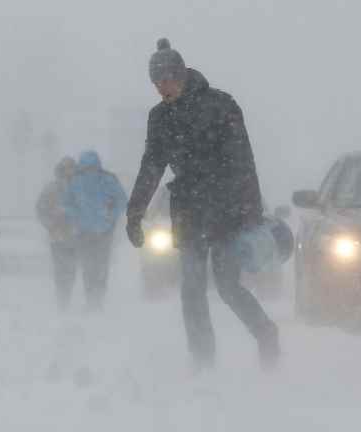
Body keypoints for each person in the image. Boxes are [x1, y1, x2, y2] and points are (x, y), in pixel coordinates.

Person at [126, 38, 280, 370]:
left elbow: (244, 161)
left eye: (165, 80)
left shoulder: (221, 105)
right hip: (189, 211)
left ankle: (267, 333)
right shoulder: (160, 118)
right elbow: (151, 166)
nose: (160, 89)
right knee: (192, 290)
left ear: (180, 75)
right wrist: (135, 212)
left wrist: (251, 211)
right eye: (155, 83)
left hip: (227, 210)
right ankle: (203, 361)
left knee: (228, 286)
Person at [64, 150, 127, 311]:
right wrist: (109, 216)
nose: (90, 171)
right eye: (88, 168)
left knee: (94, 266)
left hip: (94, 231)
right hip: (94, 231)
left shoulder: (78, 181)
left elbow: (121, 201)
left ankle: (95, 300)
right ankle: (95, 300)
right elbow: (121, 201)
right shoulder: (106, 180)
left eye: (92, 168)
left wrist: (78, 217)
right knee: (94, 267)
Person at [36, 157, 78, 310]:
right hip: (57, 236)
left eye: (72, 168)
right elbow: (40, 209)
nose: (69, 171)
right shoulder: (51, 189)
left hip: (74, 236)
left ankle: (66, 297)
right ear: (61, 170)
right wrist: (50, 224)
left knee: (71, 269)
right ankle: (62, 299)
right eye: (67, 168)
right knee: (60, 269)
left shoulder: (79, 188)